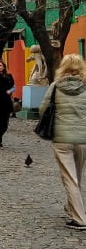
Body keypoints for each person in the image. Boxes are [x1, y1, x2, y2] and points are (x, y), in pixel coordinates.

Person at [40, 54, 86, 230]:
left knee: (69, 177)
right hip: (83, 139)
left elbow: (43, 108)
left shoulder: (55, 87)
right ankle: (72, 208)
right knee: (76, 177)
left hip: (62, 139)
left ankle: (80, 219)